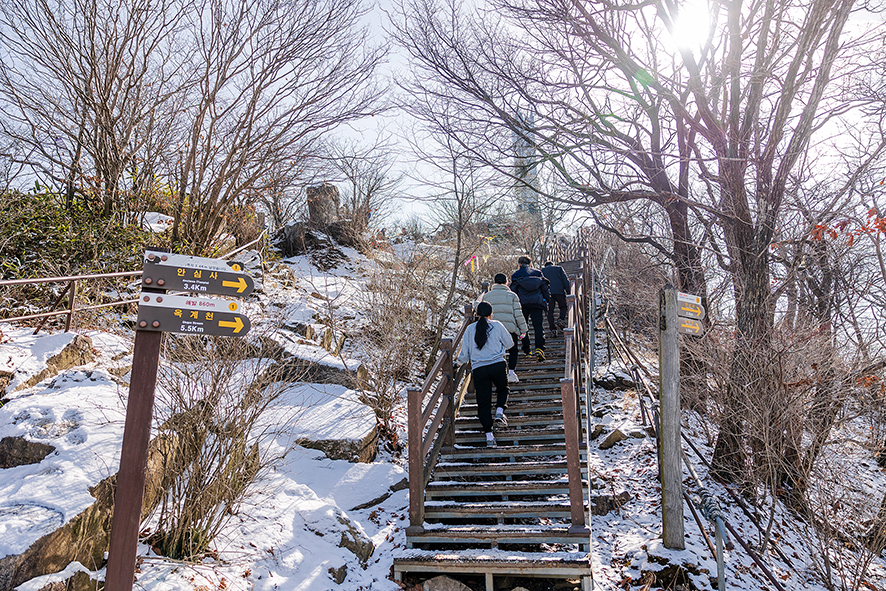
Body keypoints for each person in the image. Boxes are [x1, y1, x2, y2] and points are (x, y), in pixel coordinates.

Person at [457, 301, 513, 447]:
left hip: (479, 369)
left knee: (483, 402)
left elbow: (464, 355)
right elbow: (510, 344)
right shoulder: (497, 325)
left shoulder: (469, 329)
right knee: (503, 389)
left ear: (476, 314)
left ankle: (489, 436)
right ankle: (500, 411)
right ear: (491, 313)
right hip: (497, 365)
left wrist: (457, 364)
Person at [479, 273, 528, 383]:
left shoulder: (486, 296)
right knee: (513, 349)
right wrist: (523, 330)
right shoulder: (512, 295)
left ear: (494, 282)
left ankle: (495, 375)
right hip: (510, 328)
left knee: (495, 351)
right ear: (506, 282)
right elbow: (518, 315)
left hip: (492, 329)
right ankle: (511, 372)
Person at [510, 255, 551, 361]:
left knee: (523, 328)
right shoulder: (537, 273)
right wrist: (547, 300)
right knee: (538, 327)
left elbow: (513, 291)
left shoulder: (515, 275)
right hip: (536, 303)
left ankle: (527, 349)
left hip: (522, 304)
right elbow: (544, 288)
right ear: (530, 264)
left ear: (519, 264)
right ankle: (539, 348)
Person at [542, 261, 570, 335]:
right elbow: (565, 280)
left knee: (549, 311)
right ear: (552, 264)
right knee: (563, 306)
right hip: (559, 291)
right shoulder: (559, 269)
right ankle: (561, 319)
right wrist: (568, 291)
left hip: (548, 293)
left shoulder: (541, 271)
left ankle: (553, 329)